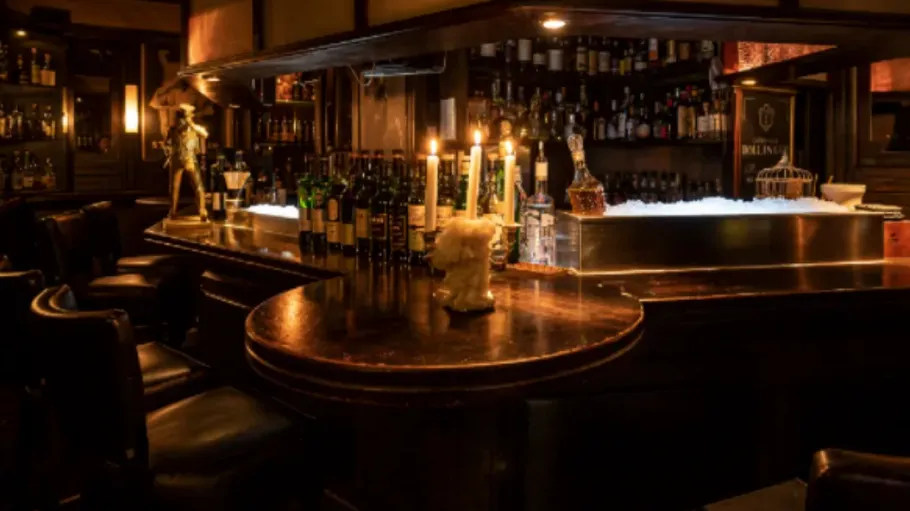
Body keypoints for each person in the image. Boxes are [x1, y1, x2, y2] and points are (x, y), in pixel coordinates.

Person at [164, 103, 209, 220]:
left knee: (198, 185)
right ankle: (172, 211)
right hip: (177, 159)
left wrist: (191, 125)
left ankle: (202, 210)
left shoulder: (194, 128)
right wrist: (168, 152)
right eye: (183, 116)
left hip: (190, 159)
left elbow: (205, 134)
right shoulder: (173, 129)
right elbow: (167, 143)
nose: (184, 119)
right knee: (174, 187)